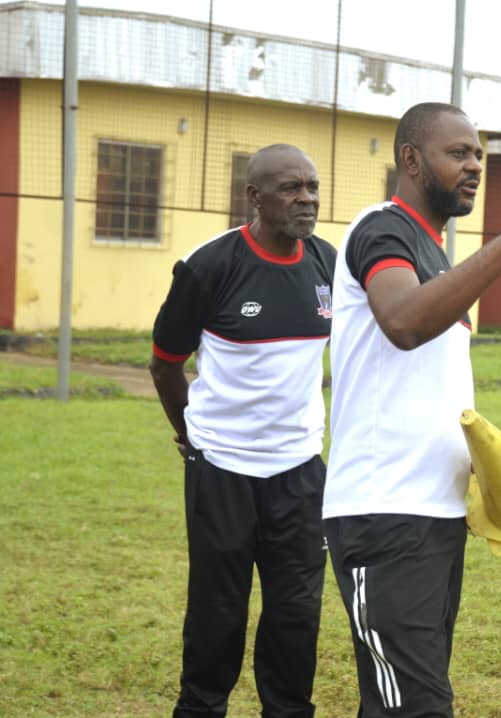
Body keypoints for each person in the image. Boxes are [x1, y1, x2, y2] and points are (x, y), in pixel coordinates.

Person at [322, 101, 501, 718]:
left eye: (479, 155)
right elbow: (405, 324)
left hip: (434, 514)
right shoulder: (381, 229)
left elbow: (426, 385)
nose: (474, 166)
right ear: (411, 159)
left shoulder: (437, 253)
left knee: (401, 702)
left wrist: (490, 453)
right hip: (382, 515)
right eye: (459, 153)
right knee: (416, 706)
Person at [149, 144, 335, 718]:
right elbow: (164, 362)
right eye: (290, 189)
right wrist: (192, 436)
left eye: (311, 187)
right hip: (223, 470)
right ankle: (201, 707)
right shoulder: (209, 266)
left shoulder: (329, 264)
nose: (306, 199)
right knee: (217, 612)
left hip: (300, 470)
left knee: (296, 613)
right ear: (254, 196)